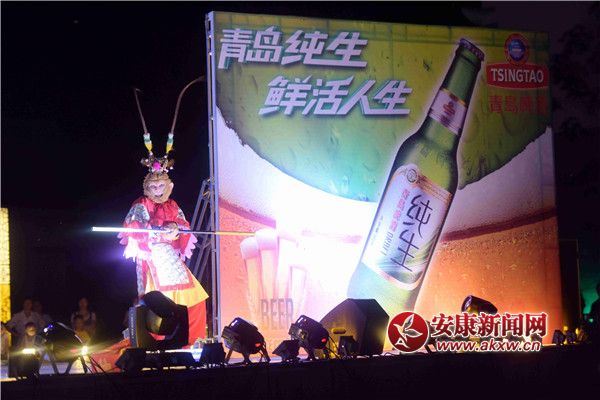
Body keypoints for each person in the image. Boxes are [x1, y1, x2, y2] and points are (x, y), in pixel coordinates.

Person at [119, 155, 209, 345]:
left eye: (161, 186)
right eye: (154, 187)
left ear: (169, 186)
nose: (158, 190)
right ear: (147, 187)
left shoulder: (172, 205)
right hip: (151, 256)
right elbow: (134, 227)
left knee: (195, 297)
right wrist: (154, 230)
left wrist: (176, 230)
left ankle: (191, 340)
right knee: (156, 303)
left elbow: (184, 226)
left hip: (170, 257)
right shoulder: (141, 204)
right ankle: (154, 341)